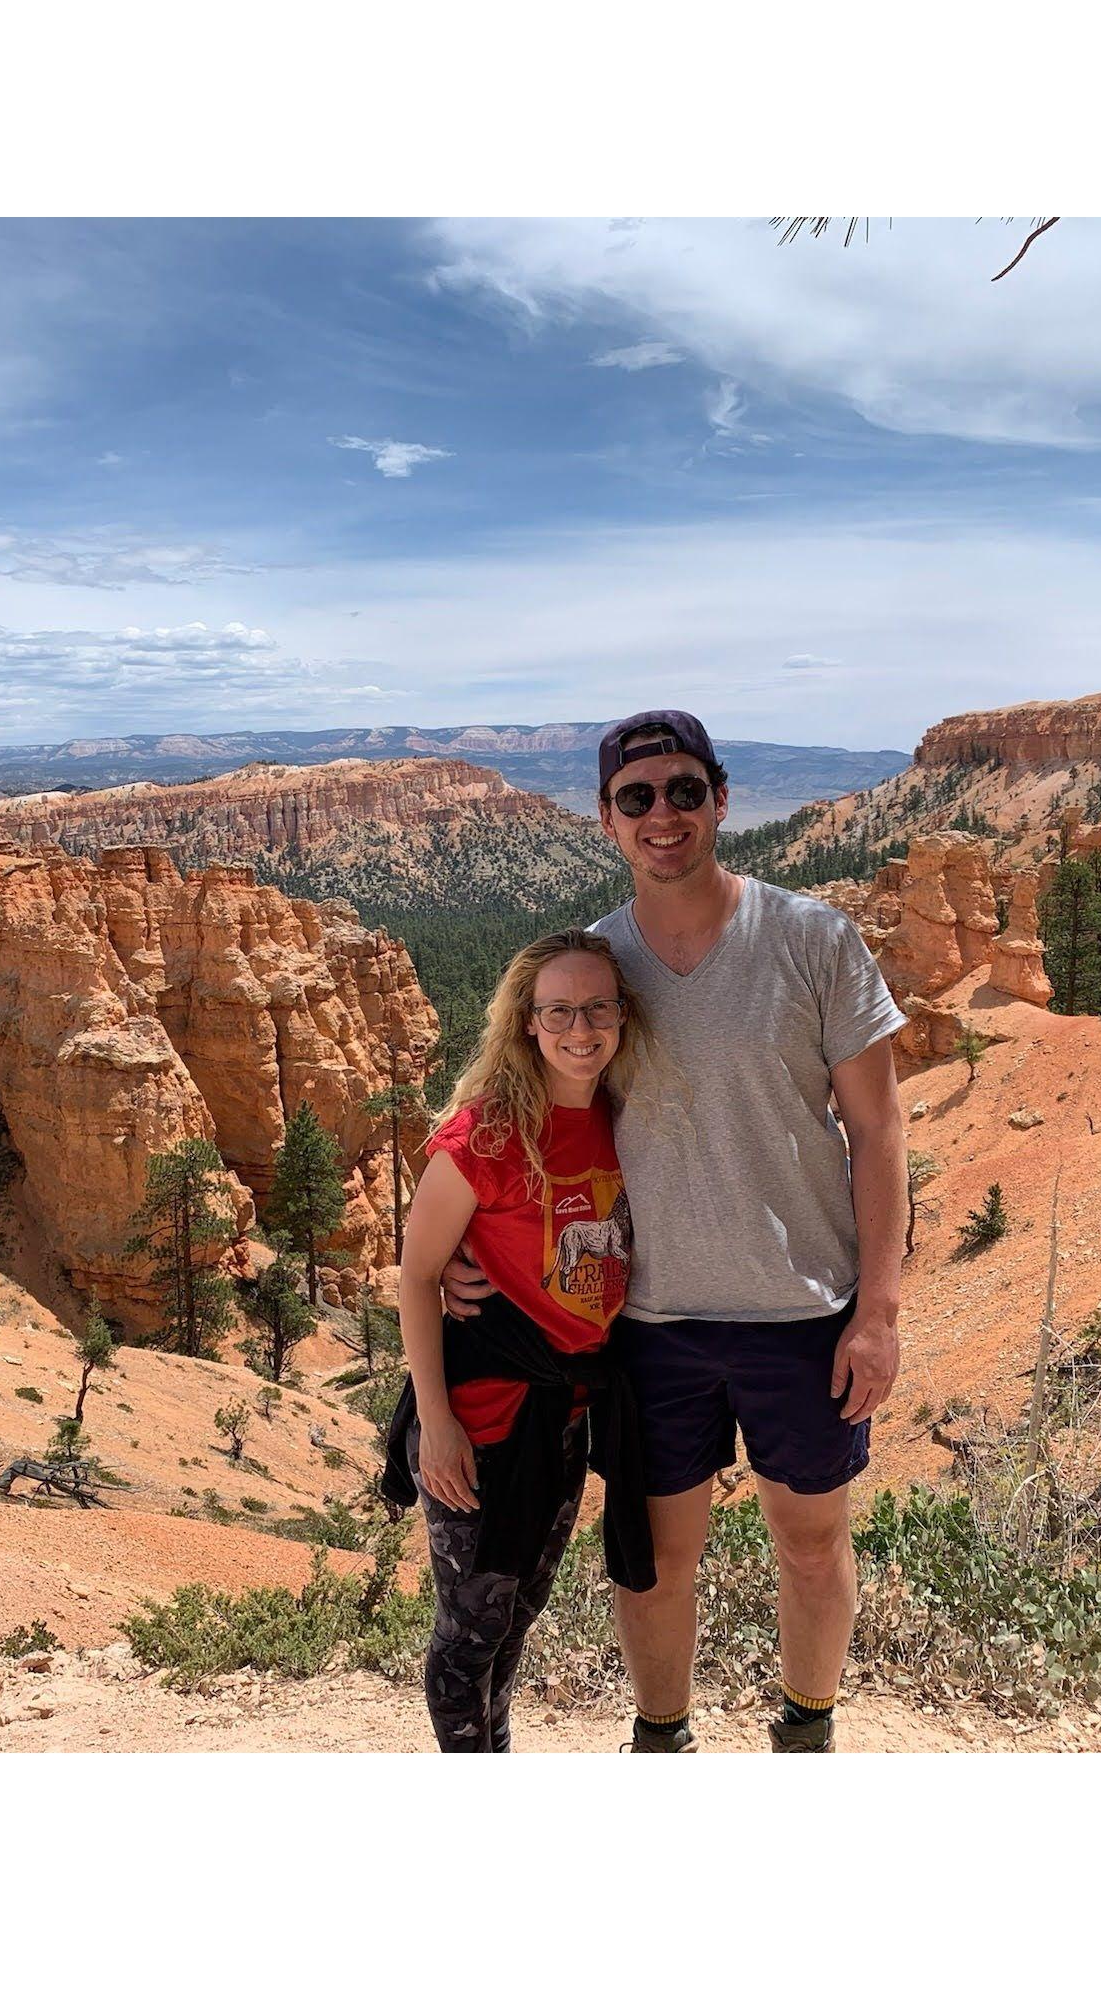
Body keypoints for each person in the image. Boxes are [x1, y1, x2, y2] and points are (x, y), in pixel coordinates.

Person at [445, 711, 907, 1752]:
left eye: (683, 790)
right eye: (637, 796)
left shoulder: (812, 938)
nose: (663, 813)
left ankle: (806, 1729)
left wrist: (877, 1310)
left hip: (802, 1309)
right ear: (604, 819)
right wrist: (453, 1250)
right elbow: (510, 1117)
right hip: (646, 1321)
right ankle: (662, 1740)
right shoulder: (593, 969)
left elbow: (878, 1129)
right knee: (655, 1553)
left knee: (809, 1535)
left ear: (721, 799)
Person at [382, 928, 655, 1752]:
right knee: (469, 1637)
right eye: (559, 1011)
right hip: (484, 1421)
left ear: (622, 1015)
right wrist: (435, 1423)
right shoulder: (482, 1139)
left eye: (597, 1007)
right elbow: (416, 1276)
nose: (582, 1029)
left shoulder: (626, 1120)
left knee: (515, 1621)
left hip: (564, 1416)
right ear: (527, 1024)